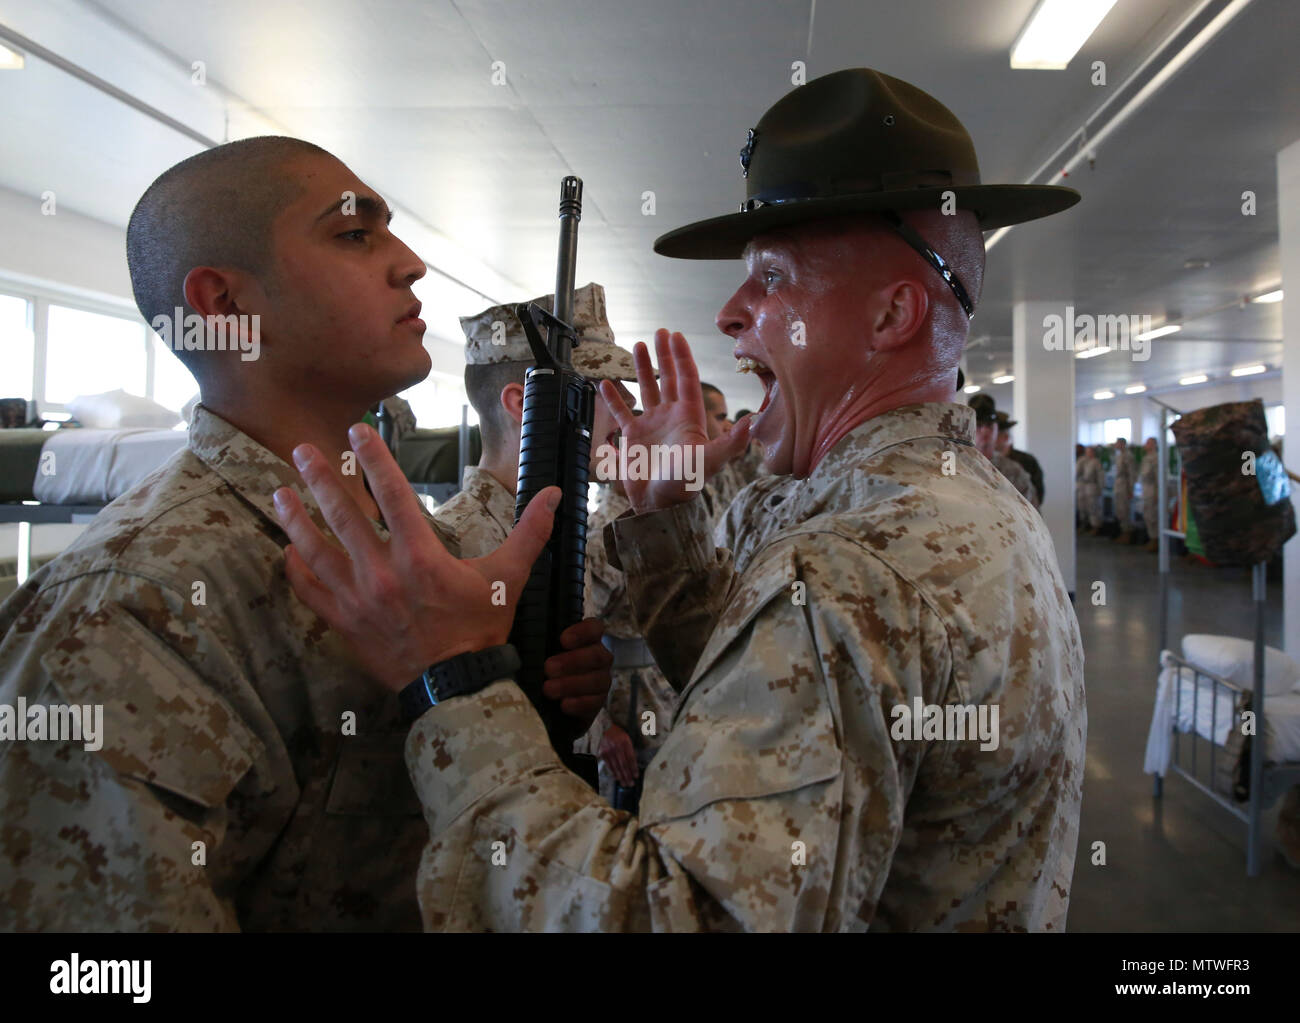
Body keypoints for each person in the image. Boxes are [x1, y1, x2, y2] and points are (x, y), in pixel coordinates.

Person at [277, 68, 1086, 931]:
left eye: (772, 278)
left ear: (892, 315)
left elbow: (674, 916)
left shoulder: (853, 566)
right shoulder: (979, 508)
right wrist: (664, 530)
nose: (732, 312)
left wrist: (454, 682)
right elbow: (816, 720)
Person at [0, 137, 606, 930]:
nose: (412, 262)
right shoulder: (130, 604)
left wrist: (521, 694)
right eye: (355, 234)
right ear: (223, 305)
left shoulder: (414, 544)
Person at [439, 286, 664, 804]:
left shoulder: (562, 526)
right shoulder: (450, 543)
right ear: (527, 404)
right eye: (600, 387)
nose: (626, 404)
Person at [970, 394, 1037, 506]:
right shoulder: (955, 465)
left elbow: (1032, 514)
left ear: (997, 428)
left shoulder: (1013, 472)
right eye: (979, 425)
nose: (985, 431)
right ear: (968, 427)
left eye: (990, 425)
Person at [995, 411, 1044, 510]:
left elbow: (1036, 495)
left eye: (996, 434)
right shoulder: (986, 460)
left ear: (1006, 437)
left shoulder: (1026, 461)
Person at [1112, 437, 1137, 543]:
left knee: (1124, 510)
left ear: (1122, 444)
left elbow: (1131, 474)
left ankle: (1127, 533)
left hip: (1124, 486)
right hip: (1118, 485)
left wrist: (1131, 489)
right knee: (1120, 510)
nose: (1115, 445)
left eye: (1117, 443)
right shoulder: (1119, 456)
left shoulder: (1128, 456)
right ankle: (1123, 532)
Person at [1139, 437, 1161, 552]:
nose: (1145, 444)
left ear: (1154, 445)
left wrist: (1158, 493)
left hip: (1153, 490)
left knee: (1152, 516)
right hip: (1146, 489)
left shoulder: (1156, 458)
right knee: (1147, 514)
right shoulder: (1146, 458)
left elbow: (1158, 477)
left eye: (1148, 443)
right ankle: (1151, 538)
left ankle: (1155, 540)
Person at [1077, 445, 1104, 534]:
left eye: (1089, 451)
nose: (1088, 453)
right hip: (1084, 487)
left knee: (1093, 507)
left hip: (1093, 487)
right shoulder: (1084, 461)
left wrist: (1101, 488)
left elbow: (1100, 476)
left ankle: (1096, 526)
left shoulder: (1096, 462)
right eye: (1087, 451)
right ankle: (1085, 525)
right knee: (1083, 507)